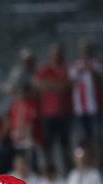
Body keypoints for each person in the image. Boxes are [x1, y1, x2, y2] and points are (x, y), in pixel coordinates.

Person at [33, 42, 72, 171]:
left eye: (58, 54)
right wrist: (55, 85)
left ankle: (67, 170)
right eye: (54, 54)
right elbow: (36, 83)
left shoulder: (65, 69)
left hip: (63, 113)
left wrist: (49, 85)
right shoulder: (45, 69)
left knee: (64, 144)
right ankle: (50, 170)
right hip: (48, 114)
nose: (56, 56)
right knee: (48, 145)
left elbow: (66, 85)